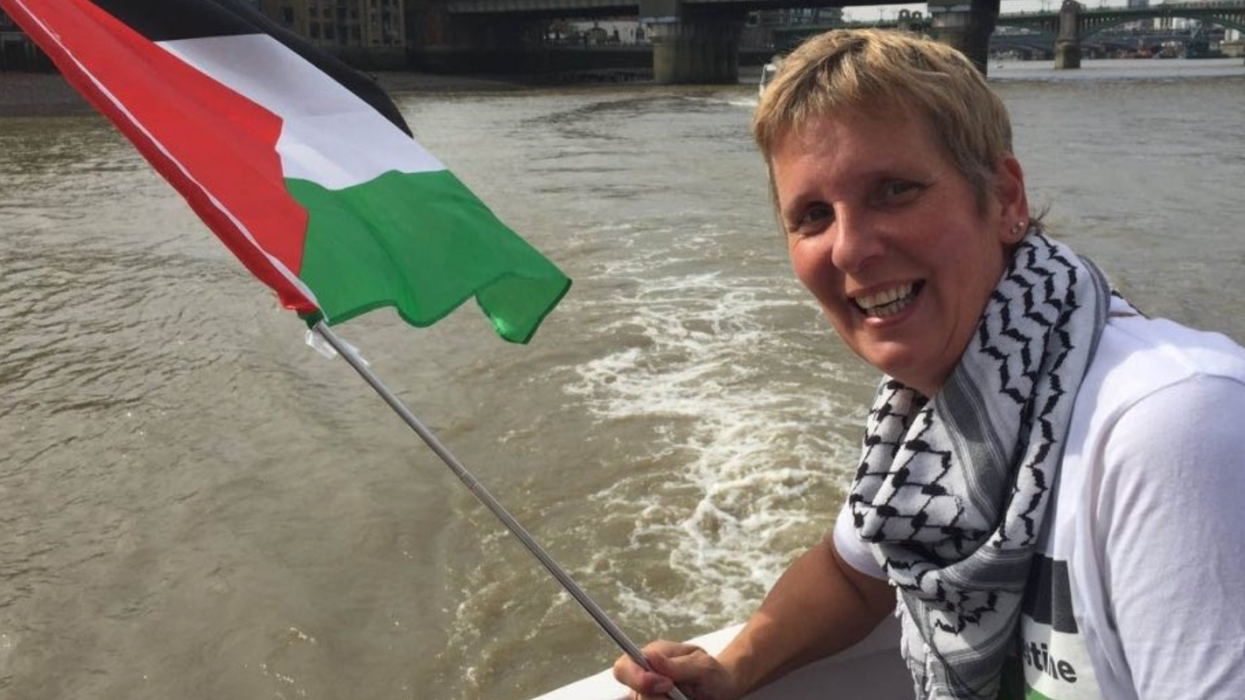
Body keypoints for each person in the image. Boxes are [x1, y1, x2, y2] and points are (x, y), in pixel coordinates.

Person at [614, 29, 1245, 700]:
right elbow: (850, 572)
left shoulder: (1175, 427)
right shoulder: (932, 409)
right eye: (813, 215)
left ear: (1004, 199)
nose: (850, 249)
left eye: (893, 190)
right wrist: (732, 669)